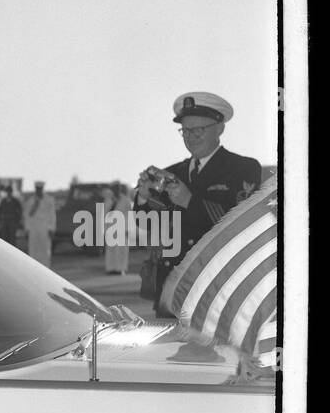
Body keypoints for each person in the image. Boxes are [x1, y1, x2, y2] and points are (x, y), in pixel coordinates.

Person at [136, 91, 263, 315]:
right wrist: (144, 197)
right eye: (185, 130)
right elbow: (150, 224)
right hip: (171, 291)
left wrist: (189, 201)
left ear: (220, 128)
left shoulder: (243, 168)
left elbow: (239, 226)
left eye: (198, 130)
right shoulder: (173, 172)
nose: (190, 136)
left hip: (215, 291)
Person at [24, 180, 56, 266]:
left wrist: (52, 228)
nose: (38, 190)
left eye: (40, 189)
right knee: (33, 249)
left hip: (45, 228)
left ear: (42, 189)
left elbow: (52, 215)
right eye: (37, 189)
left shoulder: (49, 200)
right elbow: (27, 215)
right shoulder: (30, 201)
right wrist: (27, 229)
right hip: (33, 228)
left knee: (45, 249)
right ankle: (33, 268)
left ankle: (46, 268)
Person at [101, 185, 129, 275]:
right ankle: (110, 268)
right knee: (110, 249)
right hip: (110, 227)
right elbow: (104, 213)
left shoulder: (125, 200)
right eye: (114, 189)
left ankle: (121, 268)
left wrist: (128, 228)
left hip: (121, 227)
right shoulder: (108, 199)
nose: (116, 191)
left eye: (117, 189)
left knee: (121, 249)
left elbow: (129, 214)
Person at [0, 183, 23, 248]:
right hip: (4, 221)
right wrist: (0, 220)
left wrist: (17, 220)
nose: (8, 193)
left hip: (12, 222)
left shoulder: (15, 201)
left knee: (12, 238)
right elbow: (0, 211)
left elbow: (20, 211)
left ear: (11, 192)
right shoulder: (3, 201)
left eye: (9, 191)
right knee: (4, 237)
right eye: (7, 191)